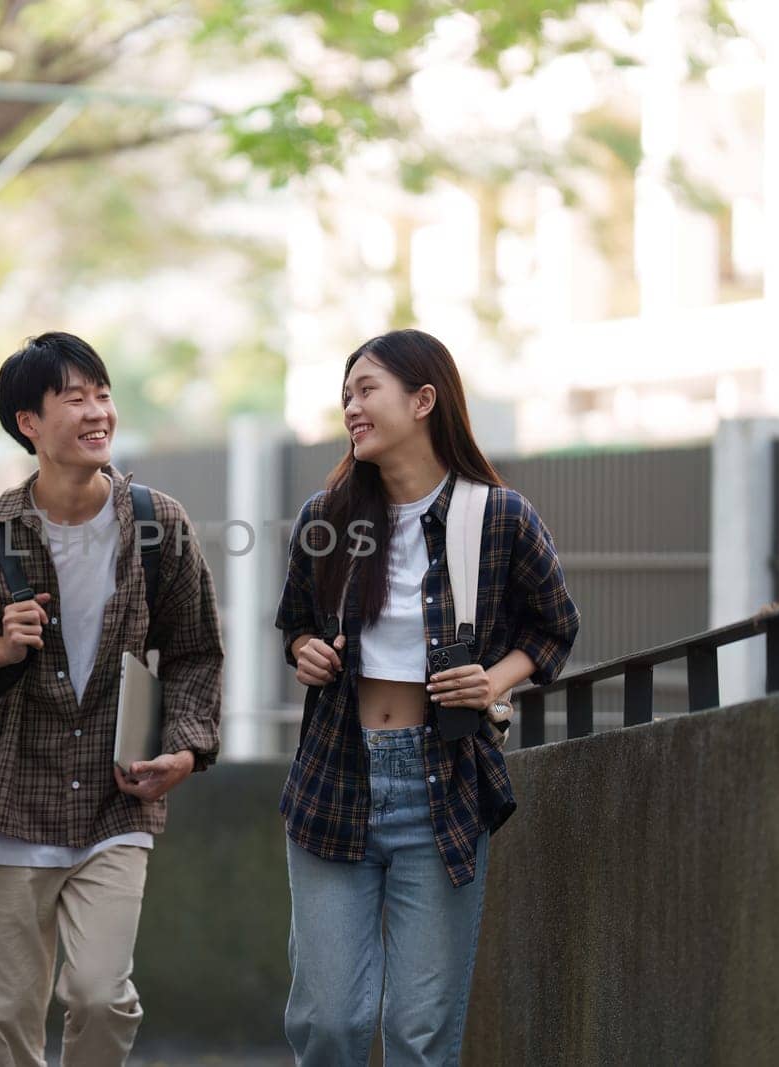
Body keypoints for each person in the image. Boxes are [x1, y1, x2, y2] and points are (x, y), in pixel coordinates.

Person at [0, 331, 224, 1066]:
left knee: (99, 993)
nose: (98, 412)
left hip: (115, 802)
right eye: (75, 397)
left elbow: (195, 654)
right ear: (30, 422)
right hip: (7, 800)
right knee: (7, 1022)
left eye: (103, 394)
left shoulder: (158, 523)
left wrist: (184, 747)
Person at [275, 328, 579, 1065]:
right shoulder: (328, 518)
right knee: (332, 1021)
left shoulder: (499, 517)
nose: (352, 406)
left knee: (419, 1032)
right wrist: (305, 652)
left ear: (423, 399)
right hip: (335, 776)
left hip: (442, 787)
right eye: (346, 393)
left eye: (367, 389)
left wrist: (493, 679)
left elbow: (554, 630)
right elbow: (295, 624)